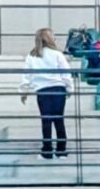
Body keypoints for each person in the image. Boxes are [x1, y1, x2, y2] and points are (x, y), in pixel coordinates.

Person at [20, 28, 73, 161]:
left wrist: (24, 90)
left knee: (46, 120)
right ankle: (61, 150)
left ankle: (47, 150)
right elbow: (66, 72)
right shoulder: (57, 54)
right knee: (59, 119)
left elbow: (27, 74)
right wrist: (69, 87)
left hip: (43, 90)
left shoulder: (31, 55)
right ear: (49, 38)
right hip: (58, 89)